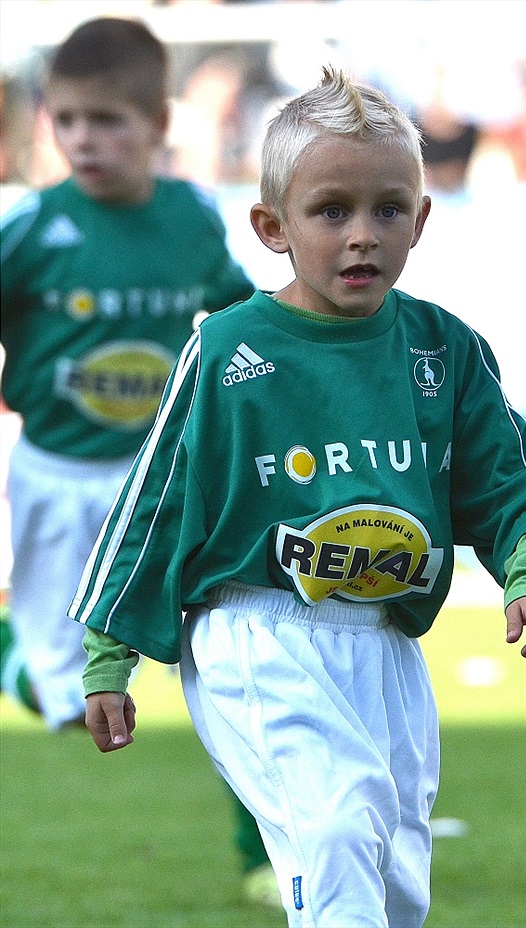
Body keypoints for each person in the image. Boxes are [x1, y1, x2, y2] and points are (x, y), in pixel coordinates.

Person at [72, 66, 526, 928]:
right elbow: (156, 500)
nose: (362, 236)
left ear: (420, 217)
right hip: (257, 633)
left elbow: (508, 479)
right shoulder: (229, 350)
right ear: (273, 226)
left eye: (387, 210)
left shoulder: (444, 349)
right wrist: (111, 650)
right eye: (331, 210)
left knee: (394, 878)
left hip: (384, 643)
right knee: (333, 833)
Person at [0, 15, 277, 907]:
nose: (85, 139)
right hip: (57, 486)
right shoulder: (32, 229)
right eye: (69, 119)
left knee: (236, 671)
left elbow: (239, 325)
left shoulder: (193, 219)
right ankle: (18, 655)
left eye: (108, 120)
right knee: (67, 706)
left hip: (165, 492)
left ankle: (266, 858)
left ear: (159, 124)